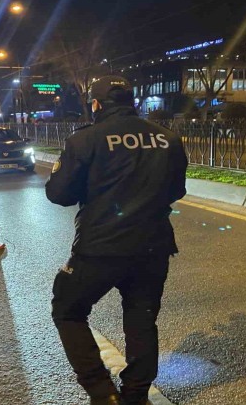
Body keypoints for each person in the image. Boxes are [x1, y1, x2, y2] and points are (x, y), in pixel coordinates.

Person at [46, 76, 188, 405]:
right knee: (142, 318)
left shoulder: (86, 139)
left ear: (97, 104)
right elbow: (177, 190)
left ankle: (102, 393)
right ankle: (135, 395)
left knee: (67, 310)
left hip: (100, 247)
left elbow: (60, 194)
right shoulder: (167, 138)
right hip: (153, 246)